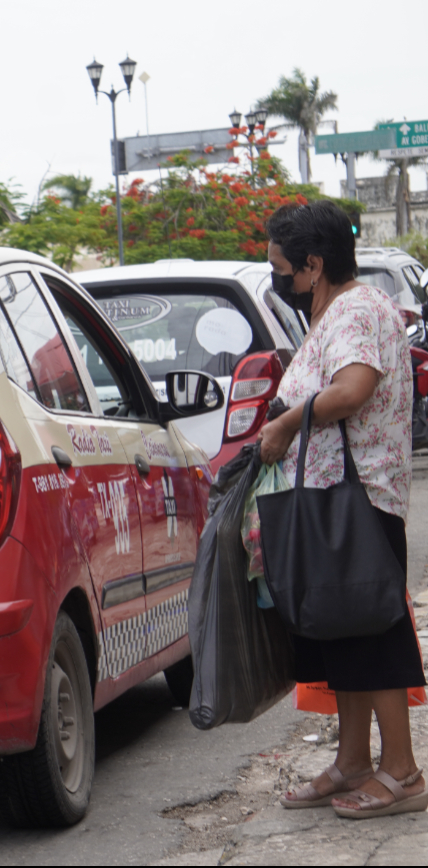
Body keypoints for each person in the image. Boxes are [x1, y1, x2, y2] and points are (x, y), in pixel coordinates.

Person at [258, 201, 425, 818]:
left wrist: (284, 426)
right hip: (333, 502)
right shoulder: (336, 312)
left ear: (313, 265)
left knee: (373, 633)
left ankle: (403, 772)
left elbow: (353, 390)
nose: (276, 277)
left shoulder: (354, 309)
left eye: (281, 266)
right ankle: (354, 761)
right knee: (343, 634)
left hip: (359, 503)